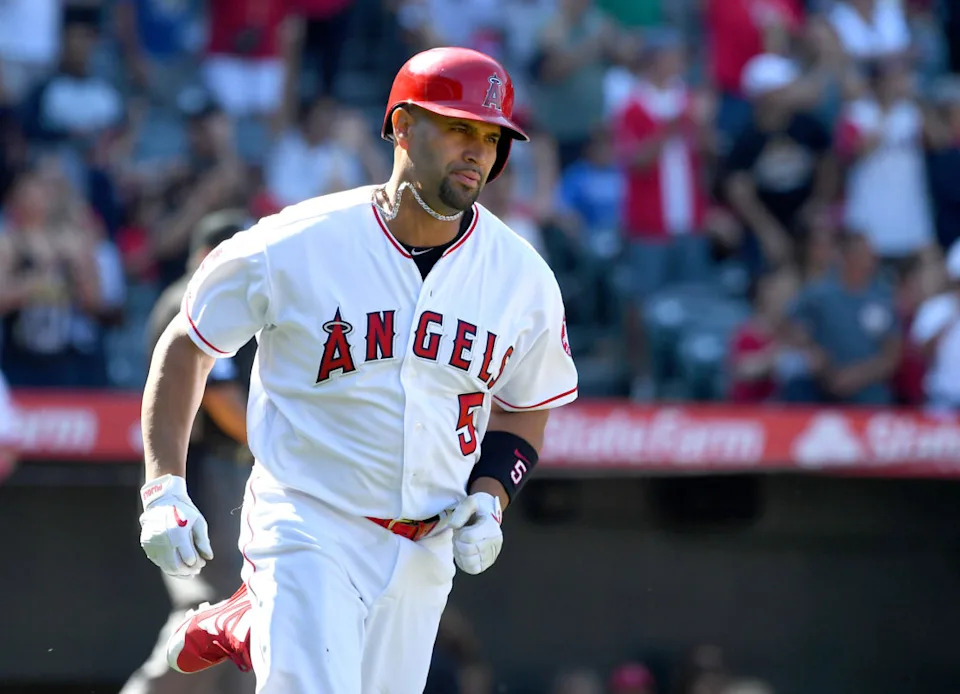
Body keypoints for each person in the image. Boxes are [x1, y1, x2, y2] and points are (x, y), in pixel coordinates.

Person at [135, 46, 579, 694]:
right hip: (309, 517)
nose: (477, 151)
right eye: (458, 127)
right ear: (402, 127)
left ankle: (259, 625)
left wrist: (492, 495)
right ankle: (271, 613)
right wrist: (163, 488)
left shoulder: (522, 277)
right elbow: (188, 343)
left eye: (491, 137)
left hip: (426, 543)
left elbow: (524, 400)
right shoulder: (298, 242)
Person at [121, 209, 256, 694]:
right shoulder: (191, 298)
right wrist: (283, 446)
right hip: (202, 473)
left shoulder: (236, 300)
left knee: (252, 609)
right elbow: (221, 402)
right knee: (209, 608)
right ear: (207, 256)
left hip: (228, 471)